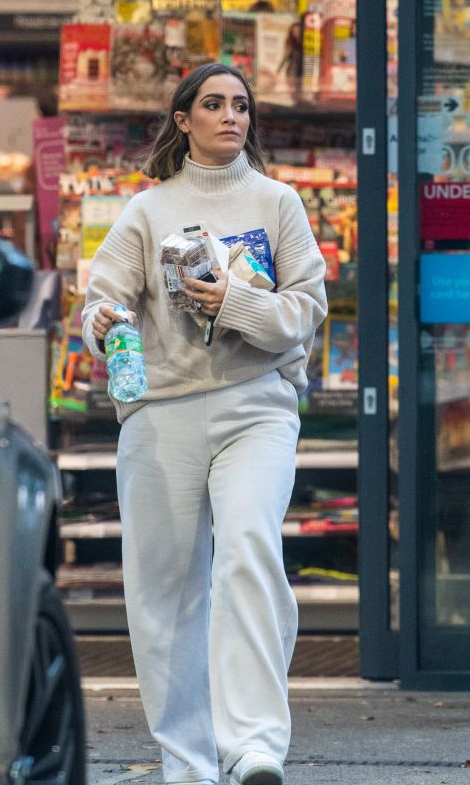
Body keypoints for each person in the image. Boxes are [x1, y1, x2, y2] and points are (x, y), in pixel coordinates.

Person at [82, 62, 327, 785]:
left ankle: (252, 746)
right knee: (164, 590)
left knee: (249, 549)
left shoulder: (278, 203)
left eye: (241, 106)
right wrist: (102, 322)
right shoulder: (145, 210)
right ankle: (186, 762)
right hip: (160, 416)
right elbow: (100, 304)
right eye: (214, 104)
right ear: (182, 119)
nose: (231, 116)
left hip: (257, 405)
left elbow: (303, 313)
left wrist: (232, 304)